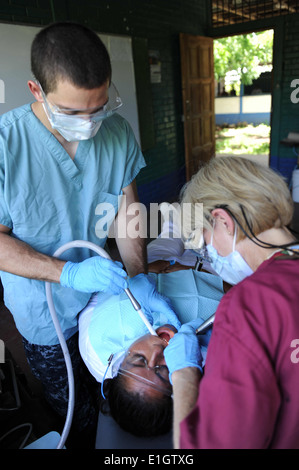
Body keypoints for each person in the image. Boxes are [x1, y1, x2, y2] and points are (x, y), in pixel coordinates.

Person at [0, 21, 179, 446]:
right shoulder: (8, 147)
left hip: (104, 296)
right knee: (78, 408)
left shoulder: (115, 133)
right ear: (36, 90)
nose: (90, 122)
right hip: (44, 312)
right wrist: (68, 274)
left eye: (98, 107)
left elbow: (128, 210)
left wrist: (137, 278)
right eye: (74, 112)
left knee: (118, 388)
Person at [164, 156, 299, 449]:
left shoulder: (249, 303)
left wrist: (185, 376)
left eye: (203, 243)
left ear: (223, 221)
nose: (209, 258)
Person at [79, 267, 225, 437]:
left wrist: (143, 272)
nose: (156, 351)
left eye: (139, 359)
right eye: (163, 370)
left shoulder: (95, 347)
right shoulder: (214, 364)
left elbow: (105, 284)